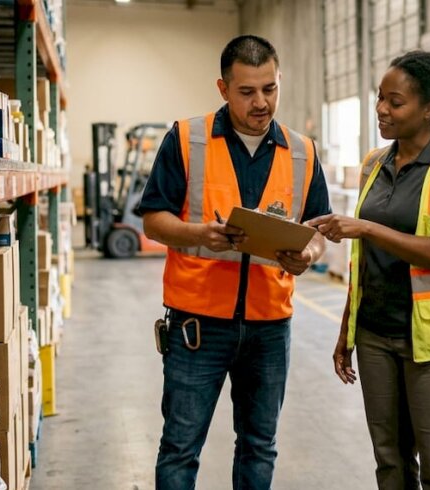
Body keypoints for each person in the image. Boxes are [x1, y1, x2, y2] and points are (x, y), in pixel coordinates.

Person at [136, 35, 331, 489]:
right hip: (198, 326)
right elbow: (153, 220)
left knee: (260, 445)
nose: (261, 102)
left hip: (269, 326)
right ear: (223, 88)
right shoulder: (187, 139)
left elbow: (319, 227)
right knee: (181, 446)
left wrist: (309, 253)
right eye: (247, 92)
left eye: (270, 88)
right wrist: (198, 234)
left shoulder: (302, 151)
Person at [308, 50, 430, 489]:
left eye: (395, 102)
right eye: (379, 99)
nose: (382, 110)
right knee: (390, 461)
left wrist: (367, 227)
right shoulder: (376, 162)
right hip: (375, 334)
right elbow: (365, 260)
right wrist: (347, 329)